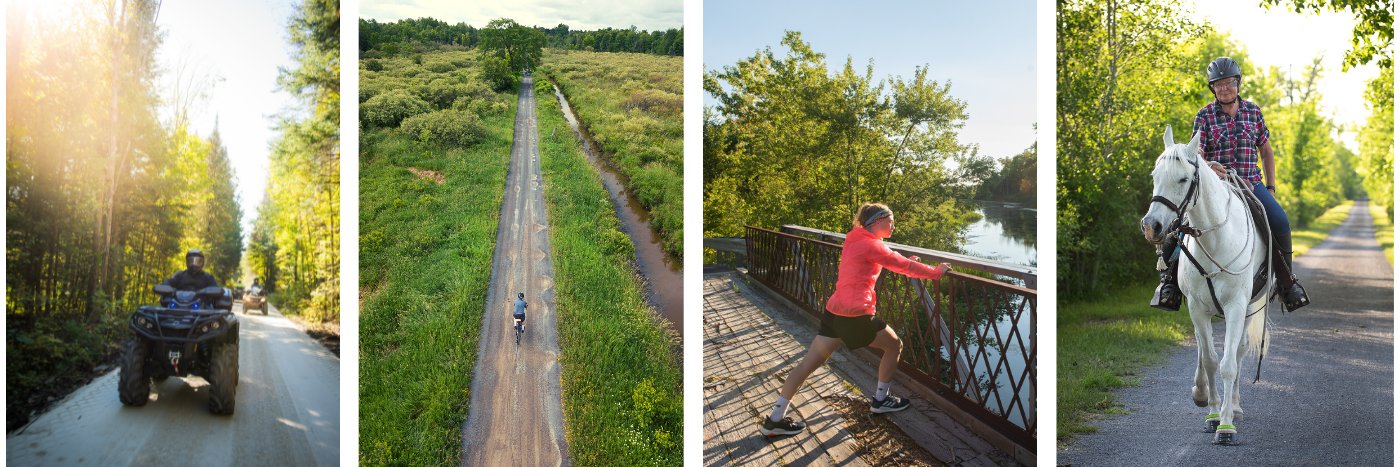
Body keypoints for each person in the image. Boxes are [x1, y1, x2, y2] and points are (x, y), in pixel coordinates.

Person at [760, 203, 952, 436]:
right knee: (894, 346)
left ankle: (775, 419)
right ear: (877, 221)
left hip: (835, 312)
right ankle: (881, 399)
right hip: (855, 314)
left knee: (807, 364)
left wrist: (910, 260)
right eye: (890, 220)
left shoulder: (855, 238)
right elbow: (900, 264)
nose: (893, 225)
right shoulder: (871, 244)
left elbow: (888, 258)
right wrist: (935, 272)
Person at [1150, 57, 1310, 313]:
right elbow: (1196, 152)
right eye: (1219, 84)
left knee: (1280, 222)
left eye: (1229, 83)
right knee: (1177, 226)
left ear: (1238, 84)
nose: (1225, 88)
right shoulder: (1204, 115)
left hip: (1250, 184)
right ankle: (1169, 284)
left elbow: (1266, 151)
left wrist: (1270, 187)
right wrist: (1210, 165)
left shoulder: (1253, 112)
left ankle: (1286, 283)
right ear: (1212, 88)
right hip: (1217, 186)